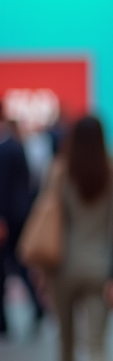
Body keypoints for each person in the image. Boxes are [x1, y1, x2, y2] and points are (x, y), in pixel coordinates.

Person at [46, 116, 113, 361]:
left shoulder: (61, 170)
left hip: (62, 267)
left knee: (65, 340)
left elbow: (50, 219)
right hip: (100, 267)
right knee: (96, 343)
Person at [0, 118, 44, 336]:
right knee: (20, 263)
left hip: (8, 218)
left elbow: (4, 188)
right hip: (19, 215)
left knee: (15, 264)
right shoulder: (17, 146)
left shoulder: (7, 148)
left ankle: (34, 306)